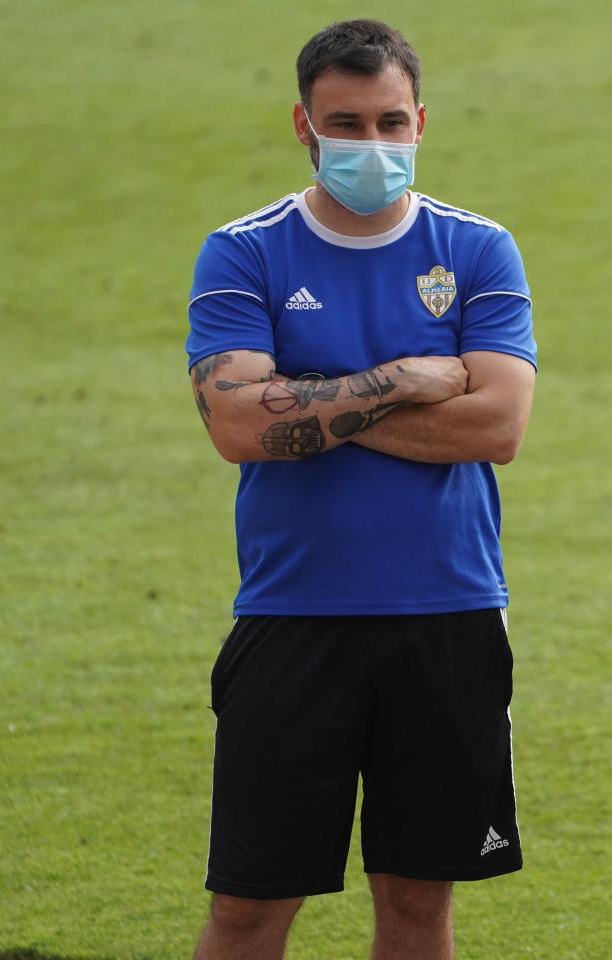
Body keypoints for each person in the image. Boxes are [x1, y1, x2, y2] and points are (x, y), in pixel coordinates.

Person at [183, 20, 536, 960]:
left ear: (420, 120)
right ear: (303, 124)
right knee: (250, 907)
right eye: (347, 124)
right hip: (294, 619)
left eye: (390, 122)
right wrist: (404, 379)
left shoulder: (480, 250)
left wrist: (312, 403)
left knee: (418, 904)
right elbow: (237, 427)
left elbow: (497, 426)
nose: (371, 147)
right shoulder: (243, 251)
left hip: (451, 616)